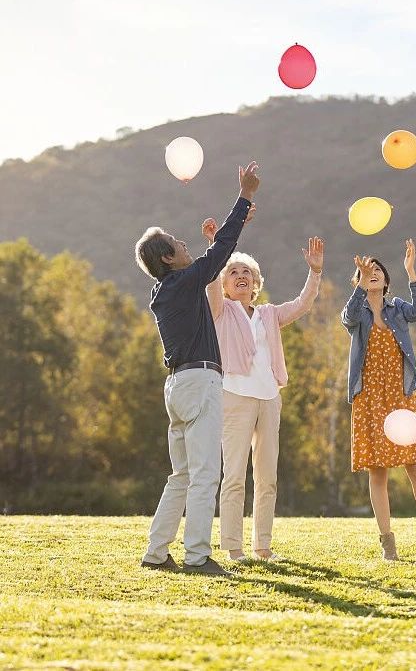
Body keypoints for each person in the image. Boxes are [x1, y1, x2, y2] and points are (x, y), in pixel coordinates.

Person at [136, 161, 260, 575]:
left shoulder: (163, 291)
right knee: (207, 474)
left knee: (182, 475)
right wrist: (244, 197)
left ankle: (156, 553)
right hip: (200, 380)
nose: (187, 245)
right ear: (170, 258)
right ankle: (197, 557)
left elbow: (212, 254)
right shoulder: (184, 281)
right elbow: (222, 249)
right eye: (179, 243)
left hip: (177, 386)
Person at [202, 219, 324, 561]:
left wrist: (314, 273)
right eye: (234, 272)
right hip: (234, 396)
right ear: (226, 283)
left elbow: (302, 304)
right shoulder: (220, 310)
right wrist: (215, 250)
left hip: (270, 398)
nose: (241, 275)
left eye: (247, 273)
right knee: (235, 475)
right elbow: (209, 283)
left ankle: (263, 547)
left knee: (268, 477)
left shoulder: (269, 314)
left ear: (256, 284)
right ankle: (233, 547)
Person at [341, 240, 416, 561]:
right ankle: (388, 543)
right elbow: (349, 317)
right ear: (359, 280)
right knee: (378, 471)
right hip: (369, 398)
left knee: (415, 465)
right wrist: (360, 286)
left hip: (400, 396)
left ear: (386, 279)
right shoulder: (358, 311)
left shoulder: (398, 308)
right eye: (366, 272)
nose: (373, 273)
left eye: (378, 270)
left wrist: (412, 273)